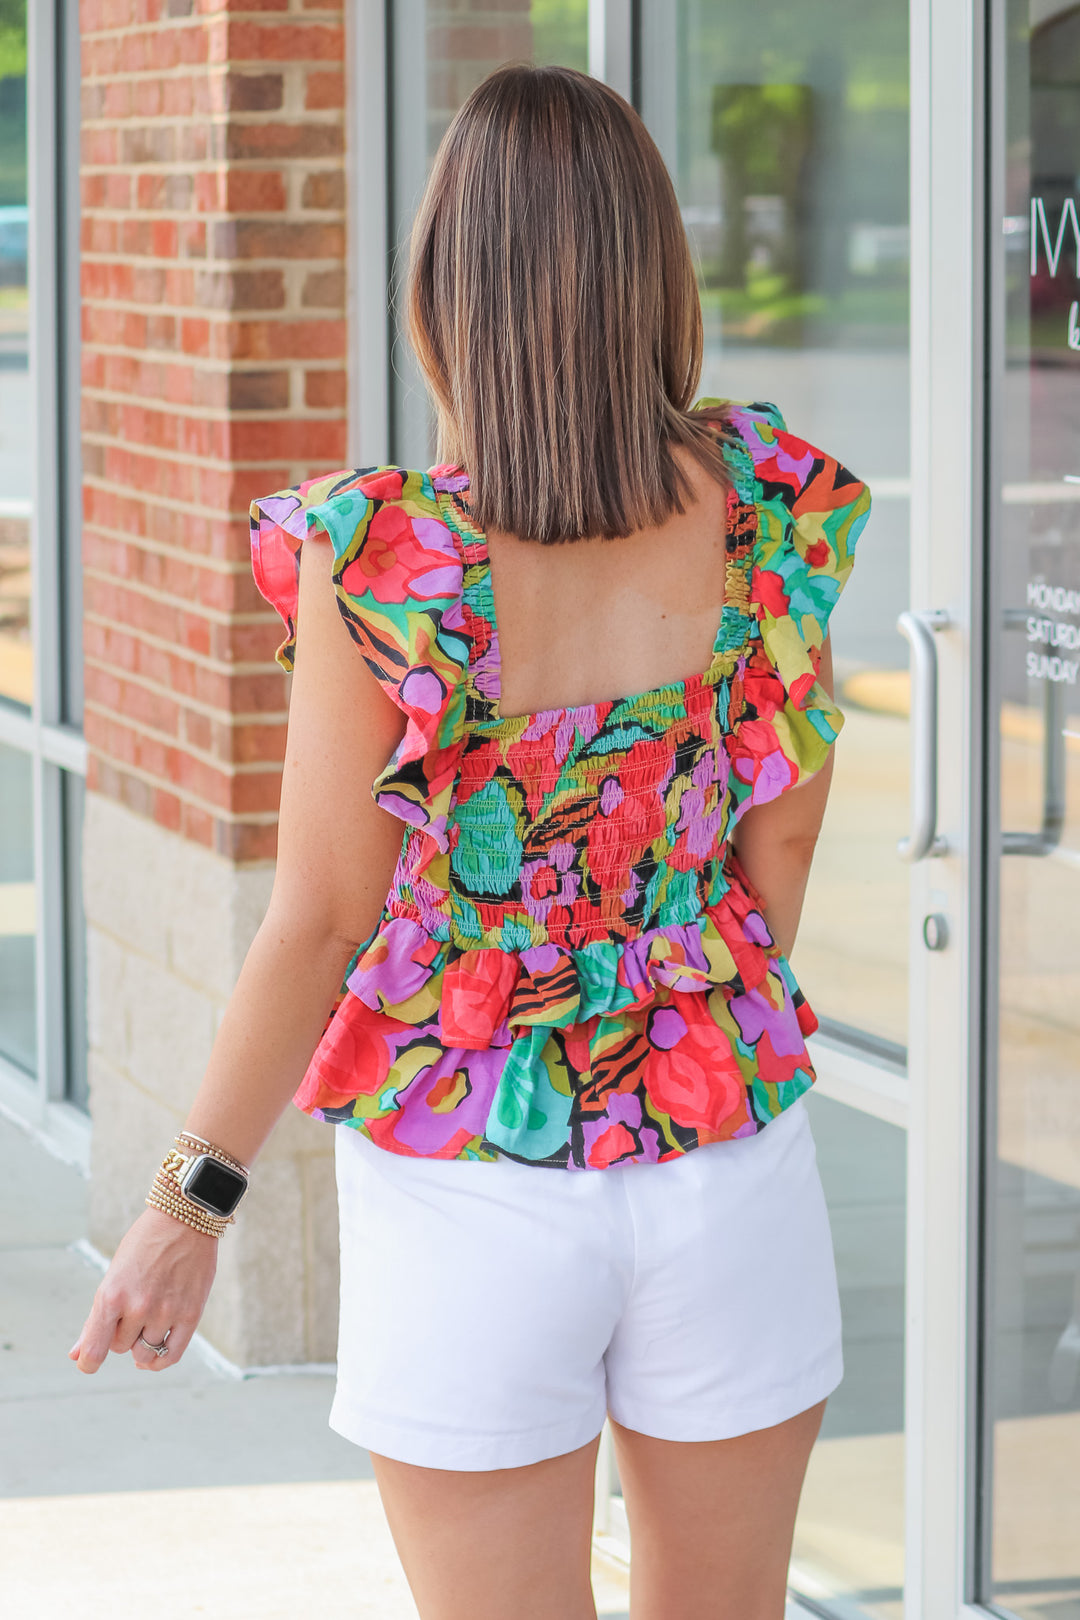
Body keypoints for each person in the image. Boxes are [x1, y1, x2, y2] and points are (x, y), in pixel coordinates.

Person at [70, 64, 871, 1620]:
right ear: (659, 268)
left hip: (468, 1173)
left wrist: (185, 1211)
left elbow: (317, 914)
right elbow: (778, 857)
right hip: (722, 1146)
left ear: (450, 289)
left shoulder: (383, 555)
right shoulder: (767, 502)